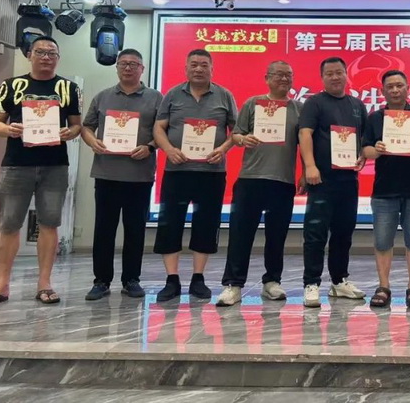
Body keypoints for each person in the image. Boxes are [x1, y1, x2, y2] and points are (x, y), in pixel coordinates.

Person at [0, 36, 81, 307]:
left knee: (50, 224)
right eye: (40, 52)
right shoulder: (11, 86)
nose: (46, 57)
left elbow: (76, 125)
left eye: (52, 53)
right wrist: (8, 129)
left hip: (55, 165)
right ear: (29, 54)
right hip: (16, 164)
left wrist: (70, 132)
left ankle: (45, 284)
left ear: (58, 58)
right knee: (9, 224)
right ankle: (1, 285)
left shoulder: (69, 88)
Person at [152, 49, 237, 302]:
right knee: (170, 224)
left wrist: (222, 150)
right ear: (186, 68)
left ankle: (198, 278)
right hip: (177, 171)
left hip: (211, 173)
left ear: (212, 68)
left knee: (206, 224)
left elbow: (236, 130)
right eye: (194, 64)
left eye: (204, 65)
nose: (198, 69)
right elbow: (158, 128)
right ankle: (172, 280)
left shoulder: (224, 95)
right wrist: (169, 150)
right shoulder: (172, 94)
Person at [217, 61, 303, 306]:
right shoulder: (252, 103)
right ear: (267, 78)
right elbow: (236, 134)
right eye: (279, 75)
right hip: (250, 179)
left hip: (283, 180)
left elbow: (306, 142)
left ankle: (272, 282)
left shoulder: (299, 108)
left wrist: (306, 171)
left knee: (277, 235)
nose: (284, 79)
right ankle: (233, 284)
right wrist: (243, 139)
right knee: (240, 234)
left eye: (288, 75)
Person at [81, 49, 163, 301]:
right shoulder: (103, 97)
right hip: (107, 173)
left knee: (135, 230)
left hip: (140, 175)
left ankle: (131, 279)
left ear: (142, 69)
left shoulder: (156, 98)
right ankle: (101, 281)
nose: (128, 68)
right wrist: (93, 142)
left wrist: (150, 147)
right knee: (104, 230)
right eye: (123, 64)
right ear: (116, 67)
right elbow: (86, 127)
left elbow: (164, 131)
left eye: (133, 64)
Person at [362, 70, 410, 309]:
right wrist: (377, 150)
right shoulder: (375, 117)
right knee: (382, 241)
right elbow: (365, 150)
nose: (395, 90)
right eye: (390, 87)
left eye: (399, 86)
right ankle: (383, 286)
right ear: (383, 91)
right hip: (384, 190)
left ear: (408, 88)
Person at [299, 56, 368, 308]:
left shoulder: (357, 105)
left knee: (343, 233)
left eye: (339, 72)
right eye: (329, 73)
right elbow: (305, 133)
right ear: (322, 77)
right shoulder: (314, 103)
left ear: (346, 74)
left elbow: (365, 139)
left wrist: (363, 155)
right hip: (321, 179)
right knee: (315, 234)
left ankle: (339, 281)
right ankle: (311, 283)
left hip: (348, 179)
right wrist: (310, 166)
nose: (335, 77)